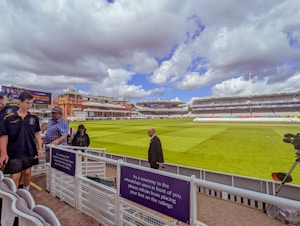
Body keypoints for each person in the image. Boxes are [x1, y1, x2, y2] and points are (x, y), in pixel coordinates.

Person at [0, 91, 43, 190]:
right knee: (15, 176)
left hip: (29, 150)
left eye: (31, 103)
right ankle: (13, 198)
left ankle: (26, 192)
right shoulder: (8, 118)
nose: (29, 105)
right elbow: (4, 136)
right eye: (27, 103)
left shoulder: (34, 117)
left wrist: (40, 148)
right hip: (14, 152)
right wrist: (3, 153)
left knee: (27, 173)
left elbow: (37, 133)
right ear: (20, 102)